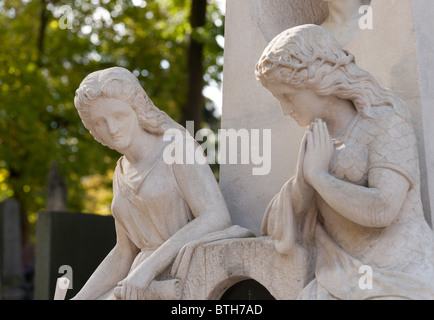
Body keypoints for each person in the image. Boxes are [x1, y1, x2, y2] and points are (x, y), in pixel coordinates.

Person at [256, 24, 434, 299]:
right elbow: (285, 222)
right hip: (339, 274)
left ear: (318, 81)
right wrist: (305, 181)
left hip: (403, 272)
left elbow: (383, 209)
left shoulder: (385, 118)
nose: (284, 109)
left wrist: (318, 177)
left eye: (287, 96)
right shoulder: (316, 138)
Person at [71, 67, 233, 300]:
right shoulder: (121, 170)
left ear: (137, 110)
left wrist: (147, 269)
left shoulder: (176, 148)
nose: (112, 129)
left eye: (119, 116)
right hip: (139, 283)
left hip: (179, 277)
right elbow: (124, 253)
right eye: (100, 122)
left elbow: (216, 216)